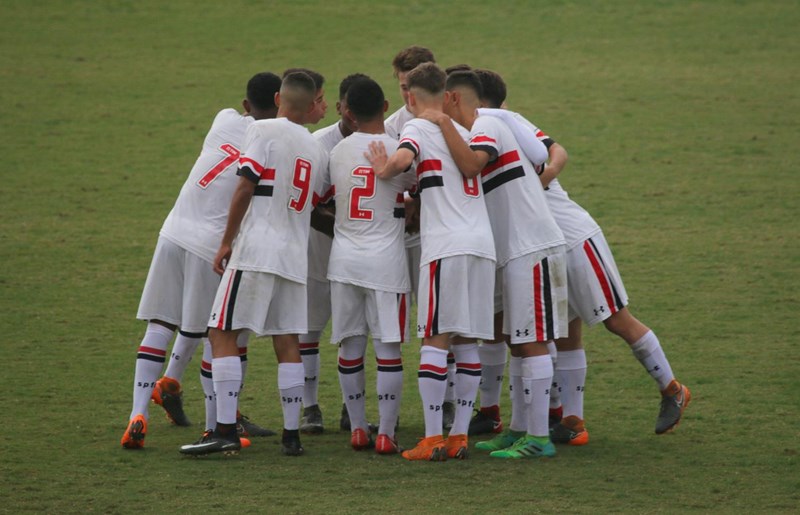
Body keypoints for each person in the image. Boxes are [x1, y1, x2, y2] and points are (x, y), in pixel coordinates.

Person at [477, 69, 691, 442]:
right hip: (540, 247)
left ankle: (672, 387)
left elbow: (556, 150)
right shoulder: (484, 130)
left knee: (616, 320)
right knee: (567, 335)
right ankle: (574, 423)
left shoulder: (503, 122)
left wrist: (542, 179)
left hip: (573, 237)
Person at [120, 72, 282, 450]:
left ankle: (137, 413)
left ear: (246, 105)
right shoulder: (274, 144)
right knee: (218, 335)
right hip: (211, 246)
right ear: (281, 101)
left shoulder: (225, 118)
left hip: (172, 232)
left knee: (159, 324)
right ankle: (216, 427)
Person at [179, 71, 330, 457]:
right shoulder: (316, 148)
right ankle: (291, 436)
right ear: (310, 102)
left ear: (279, 97)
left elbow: (245, 185)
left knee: (221, 333)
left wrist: (227, 240)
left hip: (257, 249)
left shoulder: (262, 130)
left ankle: (226, 430)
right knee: (287, 341)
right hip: (293, 256)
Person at [419, 70, 567, 460]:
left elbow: (471, 165)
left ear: (451, 98)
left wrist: (442, 123)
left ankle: (539, 438)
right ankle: (519, 428)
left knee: (531, 341)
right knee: (517, 340)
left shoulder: (485, 124)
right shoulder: (485, 127)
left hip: (530, 246)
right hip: (513, 251)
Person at [366, 63, 496, 461]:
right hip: (482, 245)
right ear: (446, 93)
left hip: (446, 246)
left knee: (435, 340)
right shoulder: (466, 131)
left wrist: (381, 169)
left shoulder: (418, 127)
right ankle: (458, 437)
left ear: (409, 95)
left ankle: (431, 436)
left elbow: (403, 161)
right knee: (467, 340)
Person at [326, 77, 416, 454]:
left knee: (350, 346)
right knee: (388, 350)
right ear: (385, 106)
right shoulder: (399, 151)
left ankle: (359, 428)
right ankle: (387, 433)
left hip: (343, 260)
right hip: (386, 263)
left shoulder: (336, 153)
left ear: (346, 111)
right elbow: (420, 192)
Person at [383, 45, 457, 431]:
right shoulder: (395, 123)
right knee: (394, 320)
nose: (405, 94)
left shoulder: (450, 118)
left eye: (409, 85)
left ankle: (447, 403)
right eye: (400, 85)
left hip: (438, 232)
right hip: (405, 233)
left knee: (445, 320)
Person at [298, 73, 368, 435]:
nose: (354, 118)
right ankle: (310, 407)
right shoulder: (317, 145)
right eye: (347, 110)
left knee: (355, 332)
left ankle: (349, 407)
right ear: (339, 107)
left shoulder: (380, 143)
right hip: (318, 253)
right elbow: (309, 208)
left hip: (356, 258)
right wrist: (346, 231)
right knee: (308, 330)